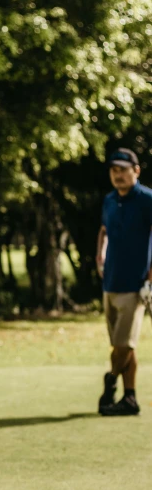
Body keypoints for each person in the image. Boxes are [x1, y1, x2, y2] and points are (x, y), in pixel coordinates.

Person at [96, 147, 152, 416]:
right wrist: (99, 255)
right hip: (111, 282)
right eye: (114, 170)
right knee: (122, 346)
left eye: (123, 170)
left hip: (136, 284)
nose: (118, 175)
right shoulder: (109, 200)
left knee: (124, 345)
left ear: (136, 171)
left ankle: (111, 380)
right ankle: (129, 398)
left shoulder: (147, 199)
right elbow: (104, 229)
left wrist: (150, 281)